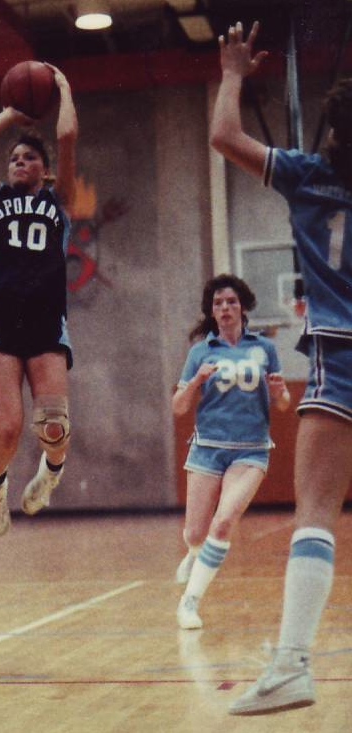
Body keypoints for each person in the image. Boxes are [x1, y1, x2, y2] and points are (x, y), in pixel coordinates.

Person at [210, 21, 352, 715]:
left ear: (334, 131)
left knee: (316, 512)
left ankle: (292, 664)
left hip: (340, 350)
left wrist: (233, 74)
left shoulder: (305, 174)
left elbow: (223, 136)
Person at [0, 62, 78, 535]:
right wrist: (11, 113)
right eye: (14, 158)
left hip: (46, 320)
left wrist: (62, 88)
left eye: (29, 158)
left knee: (54, 427)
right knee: (8, 428)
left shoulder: (58, 201)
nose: (18, 163)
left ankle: (50, 475)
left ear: (45, 171)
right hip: (1, 319)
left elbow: (67, 137)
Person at [172, 274, 290, 631]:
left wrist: (280, 392)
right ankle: (194, 553)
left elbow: (283, 403)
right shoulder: (200, 352)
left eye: (231, 302)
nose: (225, 308)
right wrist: (196, 381)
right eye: (218, 303)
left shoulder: (264, 348)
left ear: (243, 307)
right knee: (195, 534)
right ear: (212, 311)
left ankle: (190, 601)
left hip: (251, 451)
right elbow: (179, 407)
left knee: (223, 523)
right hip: (208, 449)